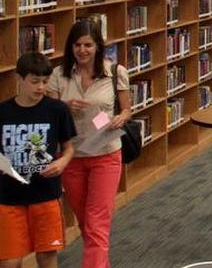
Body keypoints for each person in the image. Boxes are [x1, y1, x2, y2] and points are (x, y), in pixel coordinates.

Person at [45, 20, 131, 268]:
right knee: (86, 223)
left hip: (105, 154)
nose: (82, 50)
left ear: (97, 46)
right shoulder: (58, 76)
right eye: (77, 45)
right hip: (71, 156)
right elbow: (48, 113)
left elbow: (126, 110)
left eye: (88, 45)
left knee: (96, 222)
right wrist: (63, 107)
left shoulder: (115, 72)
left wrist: (119, 118)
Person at [1, 52, 76, 268]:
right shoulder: (3, 112)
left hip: (45, 194)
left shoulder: (57, 109)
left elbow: (69, 148)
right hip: (9, 197)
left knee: (47, 255)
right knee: (10, 261)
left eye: (45, 82)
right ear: (19, 79)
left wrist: (62, 162)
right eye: (35, 82)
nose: (41, 87)